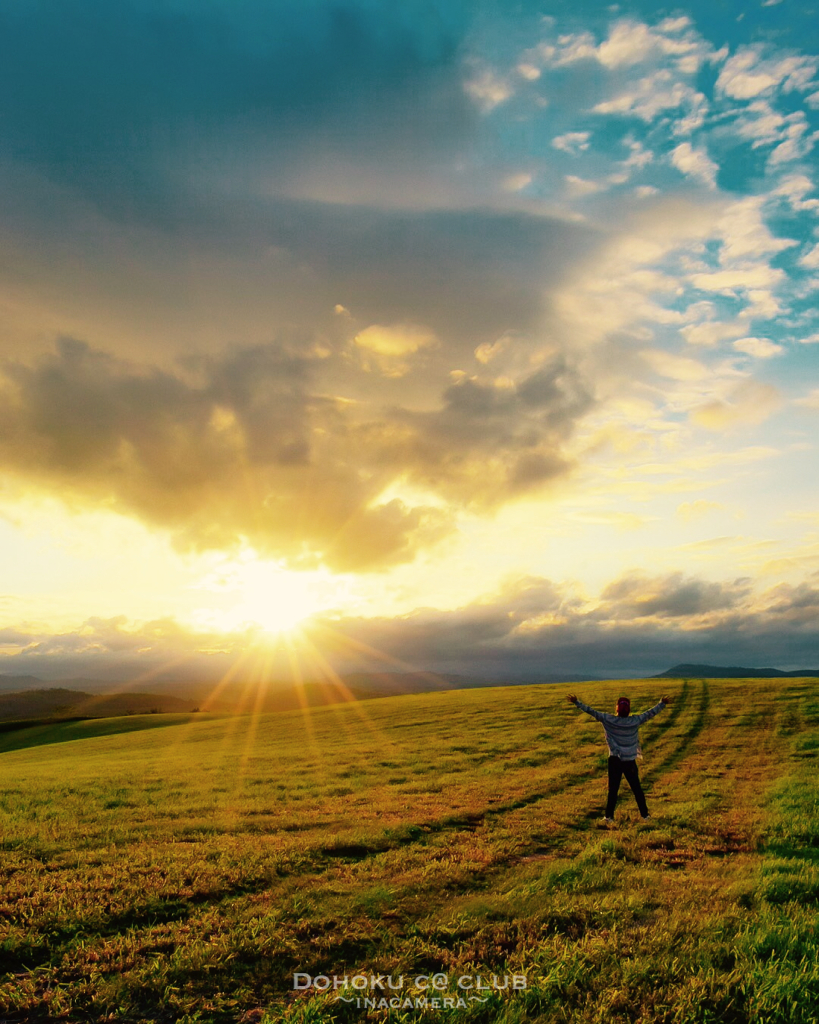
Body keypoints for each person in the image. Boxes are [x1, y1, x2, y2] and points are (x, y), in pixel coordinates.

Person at [566, 692, 672, 823]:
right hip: (629, 760)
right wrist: (662, 704)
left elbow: (591, 711)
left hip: (615, 760)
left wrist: (577, 702)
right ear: (629, 709)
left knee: (613, 790)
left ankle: (609, 817)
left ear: (617, 708)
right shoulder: (635, 721)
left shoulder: (608, 719)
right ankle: (645, 816)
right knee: (637, 789)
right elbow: (650, 713)